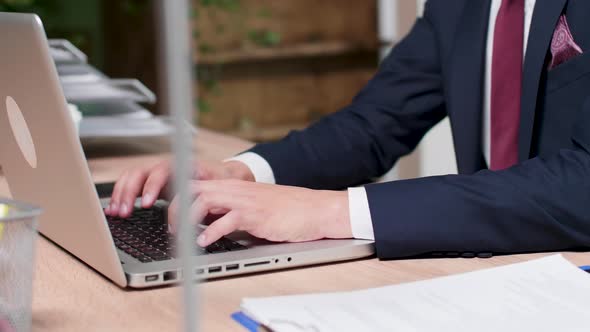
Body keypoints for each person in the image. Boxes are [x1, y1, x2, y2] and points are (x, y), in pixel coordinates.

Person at [106, 0, 590, 259]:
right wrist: (241, 173)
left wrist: (335, 211)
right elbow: (375, 123)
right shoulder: (456, 6)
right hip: (489, 270)